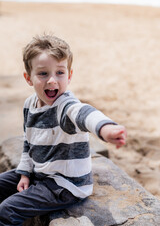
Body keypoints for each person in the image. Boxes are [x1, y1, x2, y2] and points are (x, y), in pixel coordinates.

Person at [0, 34, 127, 225]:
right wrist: (25, 173)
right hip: (39, 173)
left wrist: (106, 129)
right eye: (43, 74)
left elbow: (84, 113)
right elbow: (28, 142)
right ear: (28, 78)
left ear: (69, 75)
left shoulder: (65, 106)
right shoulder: (30, 105)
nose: (52, 80)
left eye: (60, 72)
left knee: (7, 210)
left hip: (64, 185)